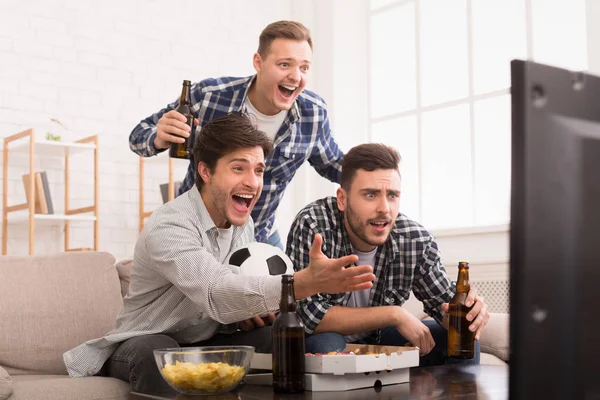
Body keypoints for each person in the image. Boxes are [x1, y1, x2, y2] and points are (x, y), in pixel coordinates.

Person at [63, 113, 375, 394]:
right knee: (158, 351)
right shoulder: (170, 223)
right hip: (140, 342)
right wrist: (303, 282)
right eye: (238, 168)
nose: (252, 182)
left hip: (203, 342)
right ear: (206, 171)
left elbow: (230, 297)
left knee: (275, 339)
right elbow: (215, 292)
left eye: (258, 170)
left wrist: (249, 314)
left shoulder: (243, 224)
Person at [129, 20, 344, 249]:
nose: (295, 76)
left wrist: (378, 181)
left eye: (304, 67)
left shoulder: (314, 113)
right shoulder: (210, 96)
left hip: (259, 231)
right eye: (284, 64)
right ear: (258, 62)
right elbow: (138, 136)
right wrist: (159, 137)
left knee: (286, 282)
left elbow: (336, 165)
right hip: (197, 228)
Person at [286, 143, 491, 366]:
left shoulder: (415, 240)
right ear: (342, 199)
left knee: (461, 340)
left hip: (381, 338)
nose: (384, 208)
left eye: (392, 195)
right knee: (324, 347)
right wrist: (394, 314)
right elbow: (306, 315)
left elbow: (445, 306)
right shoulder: (315, 224)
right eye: (371, 195)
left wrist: (468, 314)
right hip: (327, 339)